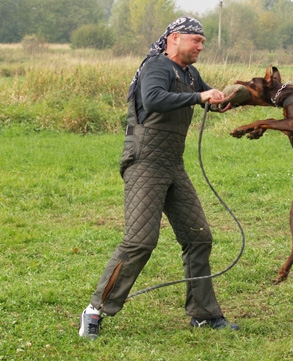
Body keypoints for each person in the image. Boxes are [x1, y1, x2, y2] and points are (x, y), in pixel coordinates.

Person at [79, 16, 239, 340]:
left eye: (203, 42)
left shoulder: (189, 73)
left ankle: (204, 315)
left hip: (172, 165)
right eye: (197, 41)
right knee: (140, 241)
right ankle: (94, 311)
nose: (201, 47)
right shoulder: (156, 66)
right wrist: (199, 98)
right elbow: (154, 99)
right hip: (144, 163)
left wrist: (225, 99)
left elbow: (208, 96)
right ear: (175, 38)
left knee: (198, 236)